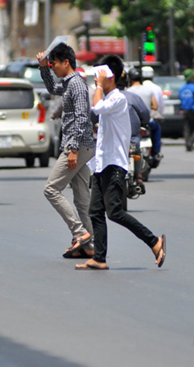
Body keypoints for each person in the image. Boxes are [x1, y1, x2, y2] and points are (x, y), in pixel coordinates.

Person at [75, 55, 165, 271]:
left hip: (114, 165)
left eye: (100, 75)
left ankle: (153, 241)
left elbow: (96, 109)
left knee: (114, 211)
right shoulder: (108, 99)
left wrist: (98, 86)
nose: (97, 80)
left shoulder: (119, 99)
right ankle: (99, 258)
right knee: (95, 211)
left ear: (111, 77)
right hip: (102, 164)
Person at [37, 44, 95, 259]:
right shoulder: (70, 83)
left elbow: (81, 118)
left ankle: (80, 233)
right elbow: (53, 89)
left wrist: (72, 150)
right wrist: (43, 67)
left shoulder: (77, 86)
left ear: (66, 62)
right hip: (82, 146)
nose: (53, 69)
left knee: (51, 189)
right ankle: (91, 245)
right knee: (82, 200)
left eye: (55, 64)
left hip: (78, 146)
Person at [118, 73, 150, 194]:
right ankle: (140, 178)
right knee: (137, 152)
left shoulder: (107, 98)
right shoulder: (133, 97)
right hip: (132, 139)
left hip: (117, 142)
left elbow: (94, 116)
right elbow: (145, 113)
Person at [140, 66, 164, 162]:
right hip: (150, 119)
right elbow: (159, 106)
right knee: (157, 127)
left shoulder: (136, 88)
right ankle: (156, 152)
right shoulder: (156, 88)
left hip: (137, 120)